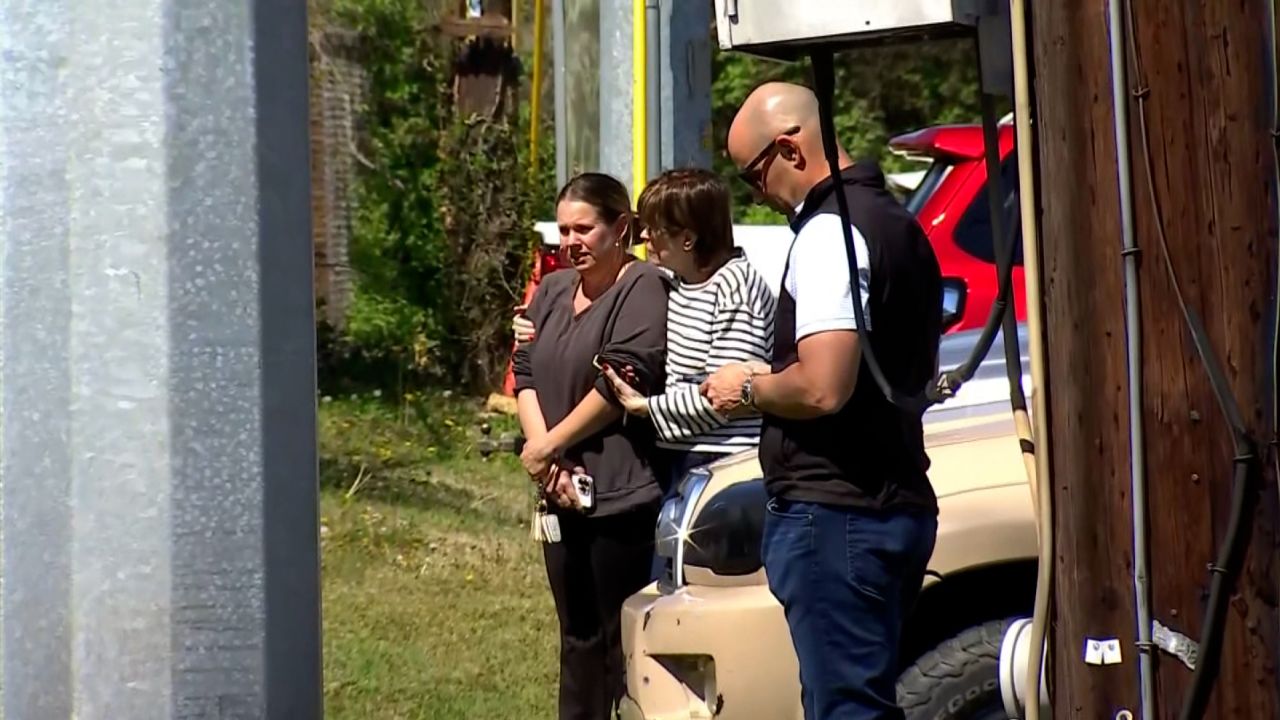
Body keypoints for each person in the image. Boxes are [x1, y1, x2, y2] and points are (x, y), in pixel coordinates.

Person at [700, 82, 944, 720]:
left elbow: (821, 385)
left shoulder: (827, 235)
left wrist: (747, 386)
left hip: (836, 515)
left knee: (845, 708)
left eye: (754, 177)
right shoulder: (899, 224)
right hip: (892, 503)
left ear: (790, 149)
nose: (758, 194)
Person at [511, 172, 670, 720]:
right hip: (557, 490)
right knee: (574, 634)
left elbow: (622, 380)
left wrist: (547, 446)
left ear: (621, 227)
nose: (571, 242)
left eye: (585, 229)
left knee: (614, 639)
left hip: (619, 495)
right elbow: (524, 366)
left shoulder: (642, 285)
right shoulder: (554, 289)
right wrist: (543, 455)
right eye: (564, 231)